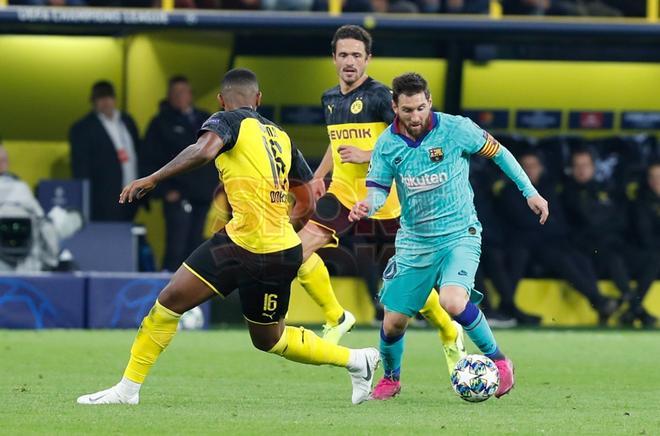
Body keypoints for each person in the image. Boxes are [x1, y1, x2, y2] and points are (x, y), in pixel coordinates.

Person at [77, 68, 379, 406]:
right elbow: (308, 191)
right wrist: (291, 226)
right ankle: (127, 390)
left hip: (257, 249)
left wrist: (153, 178)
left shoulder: (227, 120)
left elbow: (204, 151)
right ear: (259, 100)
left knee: (252, 334)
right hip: (257, 247)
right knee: (181, 306)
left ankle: (357, 360)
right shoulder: (281, 135)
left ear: (222, 101)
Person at [349, 72, 550, 400]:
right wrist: (365, 206)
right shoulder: (387, 144)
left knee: (452, 301)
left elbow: (499, 152)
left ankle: (499, 361)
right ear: (394, 107)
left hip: (459, 234)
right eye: (407, 110)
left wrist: (529, 192)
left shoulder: (457, 129)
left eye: (421, 108)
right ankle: (392, 379)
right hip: (414, 242)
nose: (415, 117)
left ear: (429, 102)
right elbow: (378, 190)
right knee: (392, 324)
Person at [298, 25, 465, 374]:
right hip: (342, 194)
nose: (349, 61)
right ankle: (336, 316)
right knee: (294, 253)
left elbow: (411, 136)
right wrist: (318, 175)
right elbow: (335, 142)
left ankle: (450, 331)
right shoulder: (330, 98)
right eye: (343, 54)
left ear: (368, 59)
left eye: (357, 55)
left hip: (386, 203)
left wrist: (368, 154)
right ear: (333, 58)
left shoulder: (379, 97)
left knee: (413, 289)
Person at [499, 150, 619, 324]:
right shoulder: (509, 191)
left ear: (541, 168)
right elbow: (524, 222)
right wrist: (548, 226)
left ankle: (598, 301)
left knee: (579, 258)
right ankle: (600, 301)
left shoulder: (548, 188)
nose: (530, 170)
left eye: (534, 166)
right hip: (526, 244)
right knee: (560, 259)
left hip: (550, 241)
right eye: (525, 167)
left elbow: (557, 219)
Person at [144, 76, 216, 271]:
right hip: (177, 196)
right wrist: (165, 191)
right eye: (176, 93)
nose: (180, 97)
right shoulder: (160, 124)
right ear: (169, 96)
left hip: (203, 196)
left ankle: (195, 293)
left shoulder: (207, 118)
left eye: (184, 92)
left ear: (190, 95)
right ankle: (169, 294)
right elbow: (150, 159)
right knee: (176, 248)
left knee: (198, 248)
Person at [562, 149, 629, 320]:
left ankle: (630, 303)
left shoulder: (606, 189)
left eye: (585, 165)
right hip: (580, 249)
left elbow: (620, 219)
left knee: (616, 256)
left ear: (593, 167)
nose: (581, 170)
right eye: (577, 166)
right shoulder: (567, 193)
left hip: (606, 247)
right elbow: (589, 220)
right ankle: (605, 304)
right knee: (579, 258)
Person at [69, 80, 141, 222]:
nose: (105, 102)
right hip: (102, 200)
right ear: (93, 102)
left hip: (132, 195)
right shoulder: (82, 128)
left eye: (108, 97)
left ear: (114, 99)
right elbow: (80, 168)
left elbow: (139, 153)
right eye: (100, 99)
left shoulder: (127, 121)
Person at [622, 162, 660, 327]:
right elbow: (646, 238)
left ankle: (633, 310)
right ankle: (635, 307)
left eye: (659, 177)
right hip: (645, 253)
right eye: (652, 177)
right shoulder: (641, 202)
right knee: (654, 259)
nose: (655, 181)